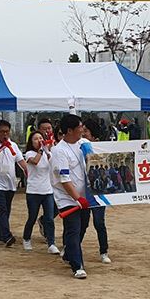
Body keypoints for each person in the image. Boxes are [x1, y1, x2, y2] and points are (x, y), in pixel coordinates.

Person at [51, 114, 89, 279]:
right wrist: (76, 198)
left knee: (83, 226)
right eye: (80, 127)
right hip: (67, 197)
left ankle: (69, 252)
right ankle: (77, 265)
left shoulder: (83, 144)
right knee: (73, 229)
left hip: (85, 196)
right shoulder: (59, 151)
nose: (82, 129)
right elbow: (64, 179)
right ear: (69, 130)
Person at [0, 120, 26, 247]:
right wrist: (0, 148)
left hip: (10, 182)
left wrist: (27, 171)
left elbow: (20, 161)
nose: (5, 134)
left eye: (7, 131)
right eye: (2, 132)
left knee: (5, 209)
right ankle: (6, 236)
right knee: (2, 208)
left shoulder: (13, 145)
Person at [23, 131, 60, 254]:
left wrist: (49, 150)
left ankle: (51, 243)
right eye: (35, 139)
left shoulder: (46, 153)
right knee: (32, 217)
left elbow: (54, 165)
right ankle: (26, 238)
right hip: (33, 191)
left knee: (49, 218)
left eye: (40, 138)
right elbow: (35, 161)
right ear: (31, 142)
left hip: (47, 190)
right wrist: (41, 151)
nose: (39, 141)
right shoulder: (29, 153)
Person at [81, 119, 112, 264]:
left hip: (98, 193)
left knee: (99, 222)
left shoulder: (100, 148)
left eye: (86, 131)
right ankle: (71, 247)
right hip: (82, 192)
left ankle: (104, 251)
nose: (83, 133)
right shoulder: (78, 146)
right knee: (82, 223)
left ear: (93, 135)